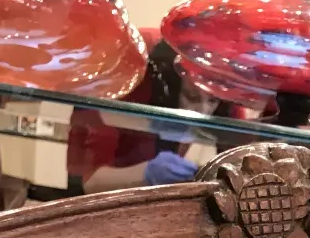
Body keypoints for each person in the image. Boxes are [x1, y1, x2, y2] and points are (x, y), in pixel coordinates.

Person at [67, 40, 225, 195]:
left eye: (213, 100)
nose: (203, 112)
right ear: (169, 87)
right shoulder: (127, 86)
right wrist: (146, 173)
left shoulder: (229, 87)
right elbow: (89, 182)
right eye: (191, 97)